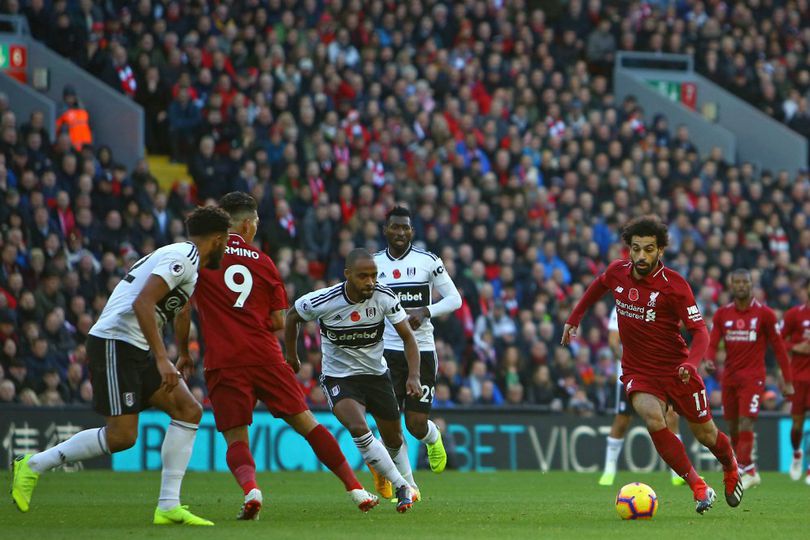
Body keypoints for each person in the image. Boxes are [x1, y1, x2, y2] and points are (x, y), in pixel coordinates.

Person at [11, 206, 231, 526]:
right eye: (226, 240)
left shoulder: (188, 263)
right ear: (217, 238)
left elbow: (181, 312)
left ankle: (168, 506)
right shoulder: (184, 256)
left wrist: (183, 352)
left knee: (188, 409)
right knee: (122, 437)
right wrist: (162, 357)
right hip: (116, 342)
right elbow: (142, 301)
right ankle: (33, 466)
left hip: (136, 345)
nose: (226, 247)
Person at [186, 192, 378, 520]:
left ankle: (251, 490)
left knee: (235, 436)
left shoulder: (201, 258)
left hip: (225, 359)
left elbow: (183, 299)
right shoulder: (263, 261)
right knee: (308, 424)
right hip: (265, 355)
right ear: (246, 224)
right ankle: (355, 488)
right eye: (256, 222)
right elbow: (278, 320)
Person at [562, 215, 742, 515]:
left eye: (648, 249)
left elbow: (700, 331)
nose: (640, 256)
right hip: (639, 371)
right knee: (653, 419)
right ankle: (698, 486)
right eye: (635, 249)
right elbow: (597, 285)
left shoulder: (675, 286)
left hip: (677, 370)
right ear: (628, 250)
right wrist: (574, 318)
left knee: (706, 435)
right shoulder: (617, 272)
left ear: (660, 251)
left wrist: (692, 364)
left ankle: (730, 464)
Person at [284, 248, 422, 513]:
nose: (370, 282)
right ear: (347, 274)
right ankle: (403, 486)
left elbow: (408, 337)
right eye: (363, 276)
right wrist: (292, 356)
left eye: (373, 275)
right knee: (359, 428)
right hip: (340, 378)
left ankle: (397, 477)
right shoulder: (324, 300)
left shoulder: (384, 296)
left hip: (376, 377)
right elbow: (292, 316)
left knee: (393, 439)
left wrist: (413, 376)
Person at [370, 206, 461, 497]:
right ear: (386, 229)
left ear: (412, 231)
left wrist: (427, 311)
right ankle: (408, 485)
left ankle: (433, 438)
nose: (399, 232)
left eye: (405, 228)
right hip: (385, 352)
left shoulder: (427, 261)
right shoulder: (372, 265)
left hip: (420, 351)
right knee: (390, 424)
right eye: (394, 227)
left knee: (416, 424)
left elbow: (455, 300)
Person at [705, 269, 793, 489]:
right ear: (732, 286)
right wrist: (709, 359)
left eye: (745, 282)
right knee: (732, 425)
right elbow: (713, 342)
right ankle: (749, 469)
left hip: (753, 377)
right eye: (737, 282)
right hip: (730, 378)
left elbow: (780, 348)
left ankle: (744, 468)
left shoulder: (765, 314)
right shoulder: (722, 315)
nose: (741, 285)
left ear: (751, 285)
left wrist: (787, 380)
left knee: (747, 421)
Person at [599, 307, 686, 487]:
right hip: (629, 375)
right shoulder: (620, 307)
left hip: (658, 373)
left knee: (671, 416)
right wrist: (630, 363)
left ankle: (678, 473)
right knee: (622, 421)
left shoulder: (654, 303)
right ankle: (608, 472)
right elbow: (613, 342)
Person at [781, 279, 810, 483]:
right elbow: (778, 339)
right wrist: (796, 346)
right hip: (798, 376)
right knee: (797, 423)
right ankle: (797, 453)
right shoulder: (794, 314)